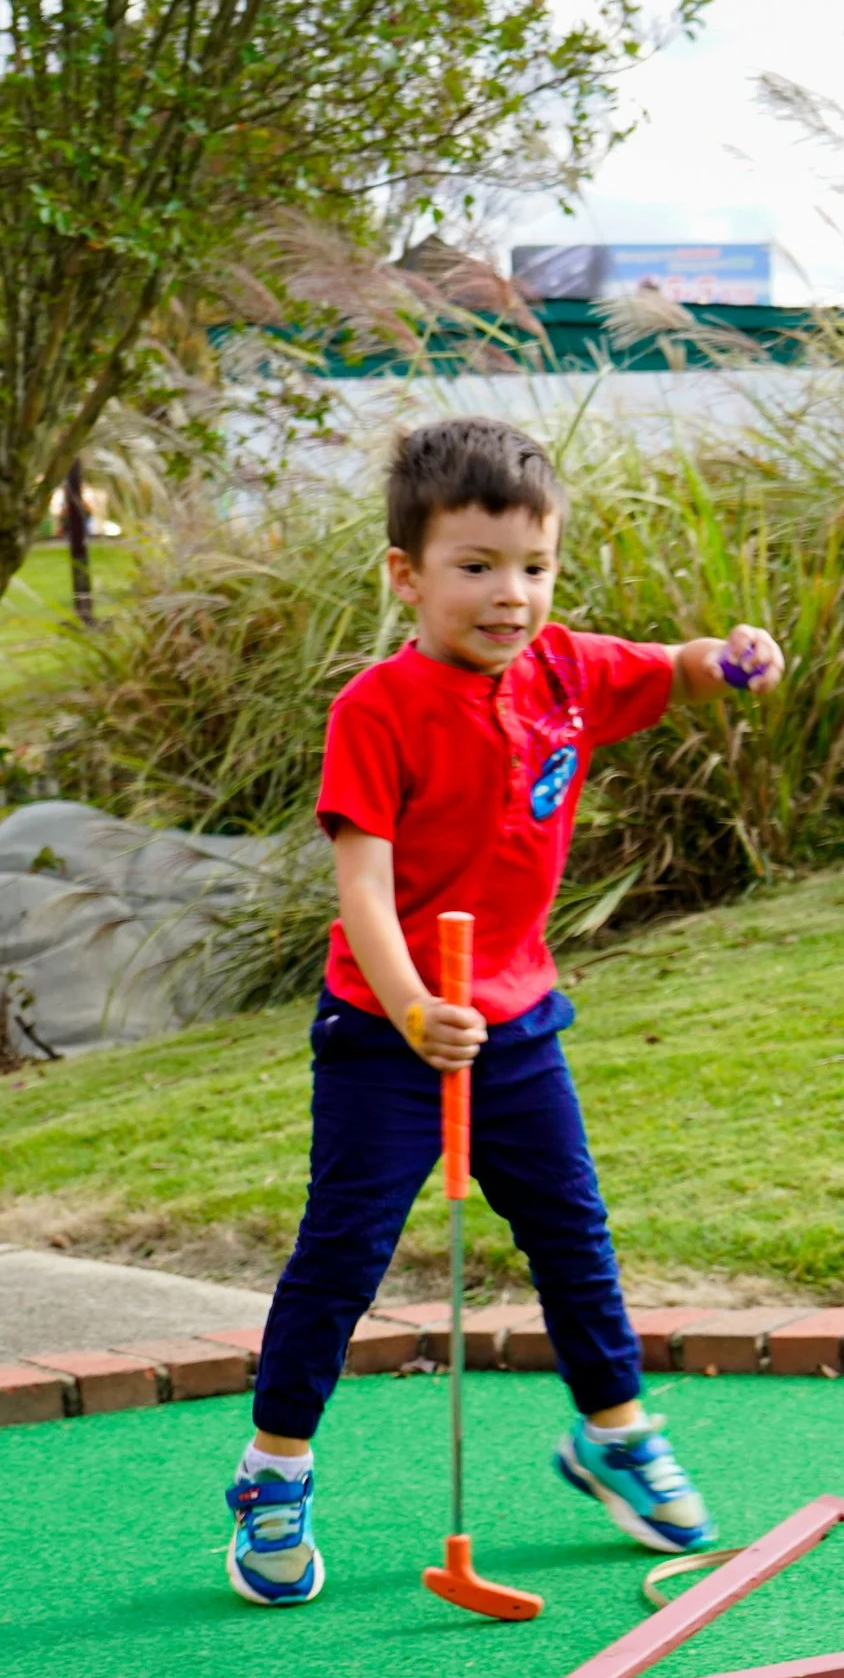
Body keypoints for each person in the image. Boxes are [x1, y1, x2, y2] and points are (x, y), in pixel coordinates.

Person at [221, 417, 785, 1606]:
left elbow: (673, 667)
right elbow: (361, 885)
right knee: (342, 1256)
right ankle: (274, 1469)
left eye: (532, 567)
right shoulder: (377, 710)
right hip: (386, 1035)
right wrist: (416, 1005)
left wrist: (730, 656)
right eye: (474, 567)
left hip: (519, 1027)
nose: (509, 594)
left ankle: (615, 1436)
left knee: (572, 1236)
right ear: (406, 576)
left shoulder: (567, 674)